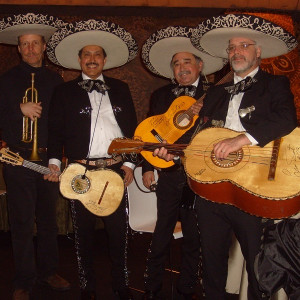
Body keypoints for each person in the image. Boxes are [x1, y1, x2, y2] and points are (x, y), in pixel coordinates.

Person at [155, 14, 298, 300]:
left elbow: (287, 120)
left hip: (252, 188)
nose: (236, 52)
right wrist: (173, 157)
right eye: (232, 47)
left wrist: (241, 139)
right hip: (213, 191)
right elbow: (202, 142)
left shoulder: (275, 85)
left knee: (257, 263)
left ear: (258, 52)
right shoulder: (216, 93)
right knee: (211, 260)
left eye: (244, 45)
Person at [44, 19, 138, 300]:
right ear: (80, 60)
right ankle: (88, 286)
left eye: (97, 55)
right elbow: (55, 131)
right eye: (87, 54)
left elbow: (133, 131)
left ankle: (121, 285)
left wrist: (129, 164)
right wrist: (54, 163)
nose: (92, 59)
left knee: (118, 233)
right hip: (79, 172)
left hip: (115, 170)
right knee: (82, 234)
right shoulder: (63, 92)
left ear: (105, 60)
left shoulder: (121, 88)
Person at [140, 26, 226, 299]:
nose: (181, 67)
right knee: (161, 231)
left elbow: (221, 132)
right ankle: (152, 287)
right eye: (176, 63)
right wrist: (147, 165)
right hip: (169, 173)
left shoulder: (215, 95)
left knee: (193, 235)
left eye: (187, 61)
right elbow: (149, 133)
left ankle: (187, 287)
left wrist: (205, 115)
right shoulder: (161, 96)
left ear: (200, 65)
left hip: (200, 174)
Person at [0, 13, 70, 300]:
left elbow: (60, 124)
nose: (30, 49)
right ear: (18, 48)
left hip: (46, 160)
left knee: (48, 220)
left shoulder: (56, 81)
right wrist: (20, 109)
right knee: (21, 222)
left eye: (35, 43)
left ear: (43, 47)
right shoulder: (5, 80)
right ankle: (24, 280)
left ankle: (49, 271)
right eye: (24, 44)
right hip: (17, 160)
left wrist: (57, 159)